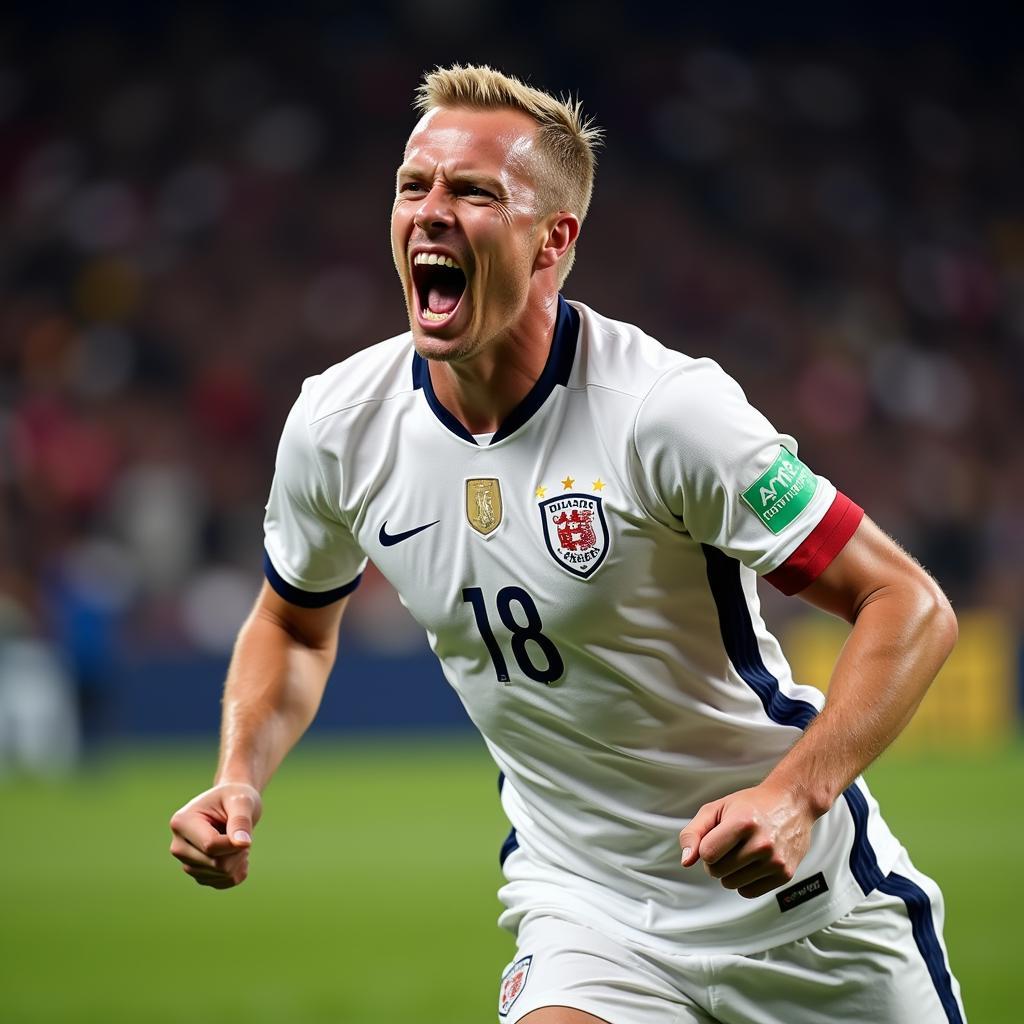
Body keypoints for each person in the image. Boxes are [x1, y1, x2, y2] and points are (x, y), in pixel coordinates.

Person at [169, 65, 966, 1024]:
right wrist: (236, 778)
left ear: (554, 240)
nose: (429, 212)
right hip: (586, 911)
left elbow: (908, 604)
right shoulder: (339, 425)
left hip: (794, 910)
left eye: (472, 192)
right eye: (413, 186)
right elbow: (293, 627)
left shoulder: (663, 413)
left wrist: (796, 796)